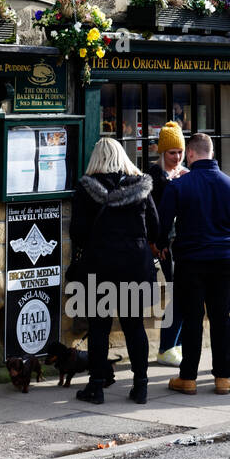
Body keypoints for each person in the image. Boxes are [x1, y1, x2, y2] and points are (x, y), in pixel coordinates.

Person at [157, 133, 230, 395]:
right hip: (223, 260)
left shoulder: (179, 186)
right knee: (222, 318)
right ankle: (223, 378)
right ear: (211, 152)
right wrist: (229, 244)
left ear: (190, 154)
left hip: (189, 261)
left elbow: (162, 226)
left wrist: (164, 245)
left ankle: (188, 378)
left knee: (192, 319)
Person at [69, 137, 159, 405]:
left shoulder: (86, 190)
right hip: (134, 267)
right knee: (134, 327)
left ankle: (96, 387)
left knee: (99, 328)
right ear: (122, 156)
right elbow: (156, 227)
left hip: (100, 267)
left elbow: (77, 233)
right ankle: (141, 387)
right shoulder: (141, 187)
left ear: (96, 158)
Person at [147, 121, 187, 366]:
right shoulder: (152, 177)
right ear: (162, 152)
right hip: (164, 246)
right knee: (178, 295)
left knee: (181, 295)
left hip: (182, 243)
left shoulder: (184, 174)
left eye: (180, 152)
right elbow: (151, 214)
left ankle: (175, 345)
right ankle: (166, 346)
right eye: (172, 152)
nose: (177, 157)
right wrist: (154, 242)